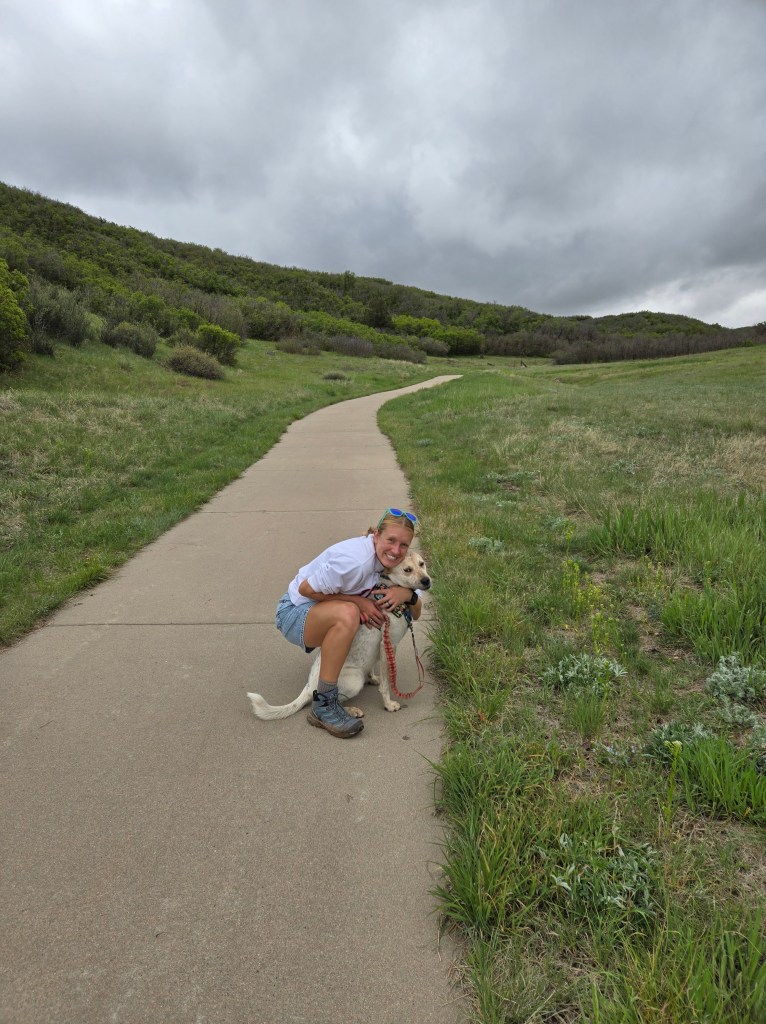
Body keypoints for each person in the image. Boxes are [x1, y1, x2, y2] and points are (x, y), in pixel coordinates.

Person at [274, 508, 423, 738]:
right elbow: (305, 589)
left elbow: (417, 613)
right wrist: (359, 602)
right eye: (391, 540)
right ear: (376, 535)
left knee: (354, 614)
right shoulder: (356, 562)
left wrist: (408, 595)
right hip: (294, 612)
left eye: (403, 545)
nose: (396, 550)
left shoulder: (396, 565)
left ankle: (339, 680)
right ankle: (323, 705)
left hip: (321, 610)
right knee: (350, 613)